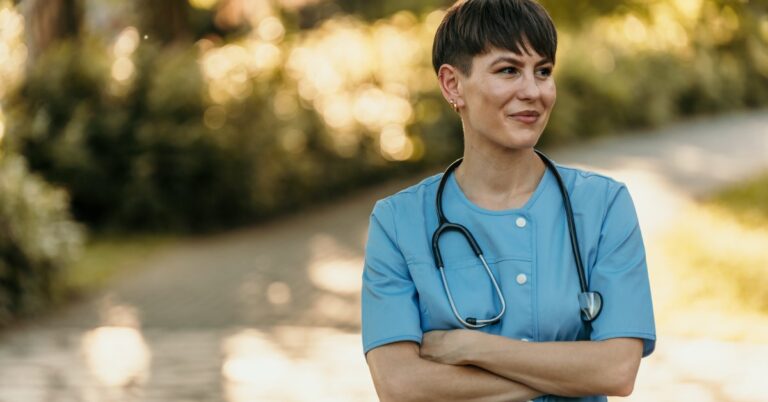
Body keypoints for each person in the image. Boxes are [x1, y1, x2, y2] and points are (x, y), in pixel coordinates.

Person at [360, 0, 656, 401]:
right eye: (508, 70)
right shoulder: (398, 223)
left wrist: (471, 348)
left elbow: (618, 370)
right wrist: (571, 373)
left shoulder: (603, 205)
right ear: (452, 84)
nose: (533, 91)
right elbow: (400, 386)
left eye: (544, 71)